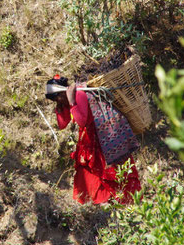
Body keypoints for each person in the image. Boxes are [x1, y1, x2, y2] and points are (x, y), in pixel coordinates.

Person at [46, 75, 141, 204]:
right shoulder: (66, 99)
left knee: (111, 172)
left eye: (57, 97)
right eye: (54, 99)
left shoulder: (78, 95)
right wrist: (60, 108)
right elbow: (62, 125)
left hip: (101, 138)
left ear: (62, 92)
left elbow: (81, 121)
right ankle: (91, 202)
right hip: (88, 140)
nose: (57, 100)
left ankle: (123, 201)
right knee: (88, 172)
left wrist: (72, 102)